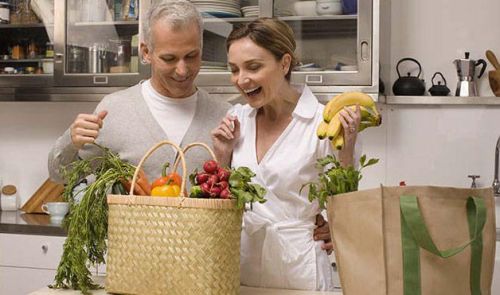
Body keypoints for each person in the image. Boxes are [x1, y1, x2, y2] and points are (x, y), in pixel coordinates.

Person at [211, 18, 361, 291]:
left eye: (253, 67)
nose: (241, 79)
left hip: (300, 271)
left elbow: (347, 211)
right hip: (240, 268)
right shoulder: (236, 120)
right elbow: (220, 208)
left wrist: (347, 151)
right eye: (234, 69)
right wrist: (222, 156)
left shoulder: (322, 124)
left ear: (284, 63)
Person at [48, 0, 230, 185]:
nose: (182, 70)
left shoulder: (225, 116)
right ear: (145, 52)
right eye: (169, 58)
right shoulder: (114, 111)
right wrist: (71, 142)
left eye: (191, 56)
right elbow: (60, 176)